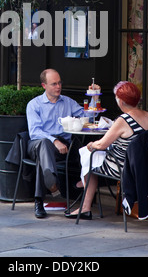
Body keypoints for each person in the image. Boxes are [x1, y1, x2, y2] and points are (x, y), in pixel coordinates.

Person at [65, 81, 148, 220]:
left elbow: (101, 145)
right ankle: (82, 187)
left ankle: (85, 206)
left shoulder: (124, 119)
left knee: (88, 154)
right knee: (93, 155)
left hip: (123, 168)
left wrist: (91, 145)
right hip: (143, 167)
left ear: (121, 101)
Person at [26, 68, 99, 218]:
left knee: (44, 159)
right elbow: (34, 132)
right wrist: (55, 141)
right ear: (44, 86)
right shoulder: (34, 104)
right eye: (54, 84)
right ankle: (50, 182)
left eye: (59, 83)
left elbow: (89, 117)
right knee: (44, 145)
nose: (58, 86)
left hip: (64, 146)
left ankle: (46, 191)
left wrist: (95, 97)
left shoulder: (68, 102)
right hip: (38, 144)